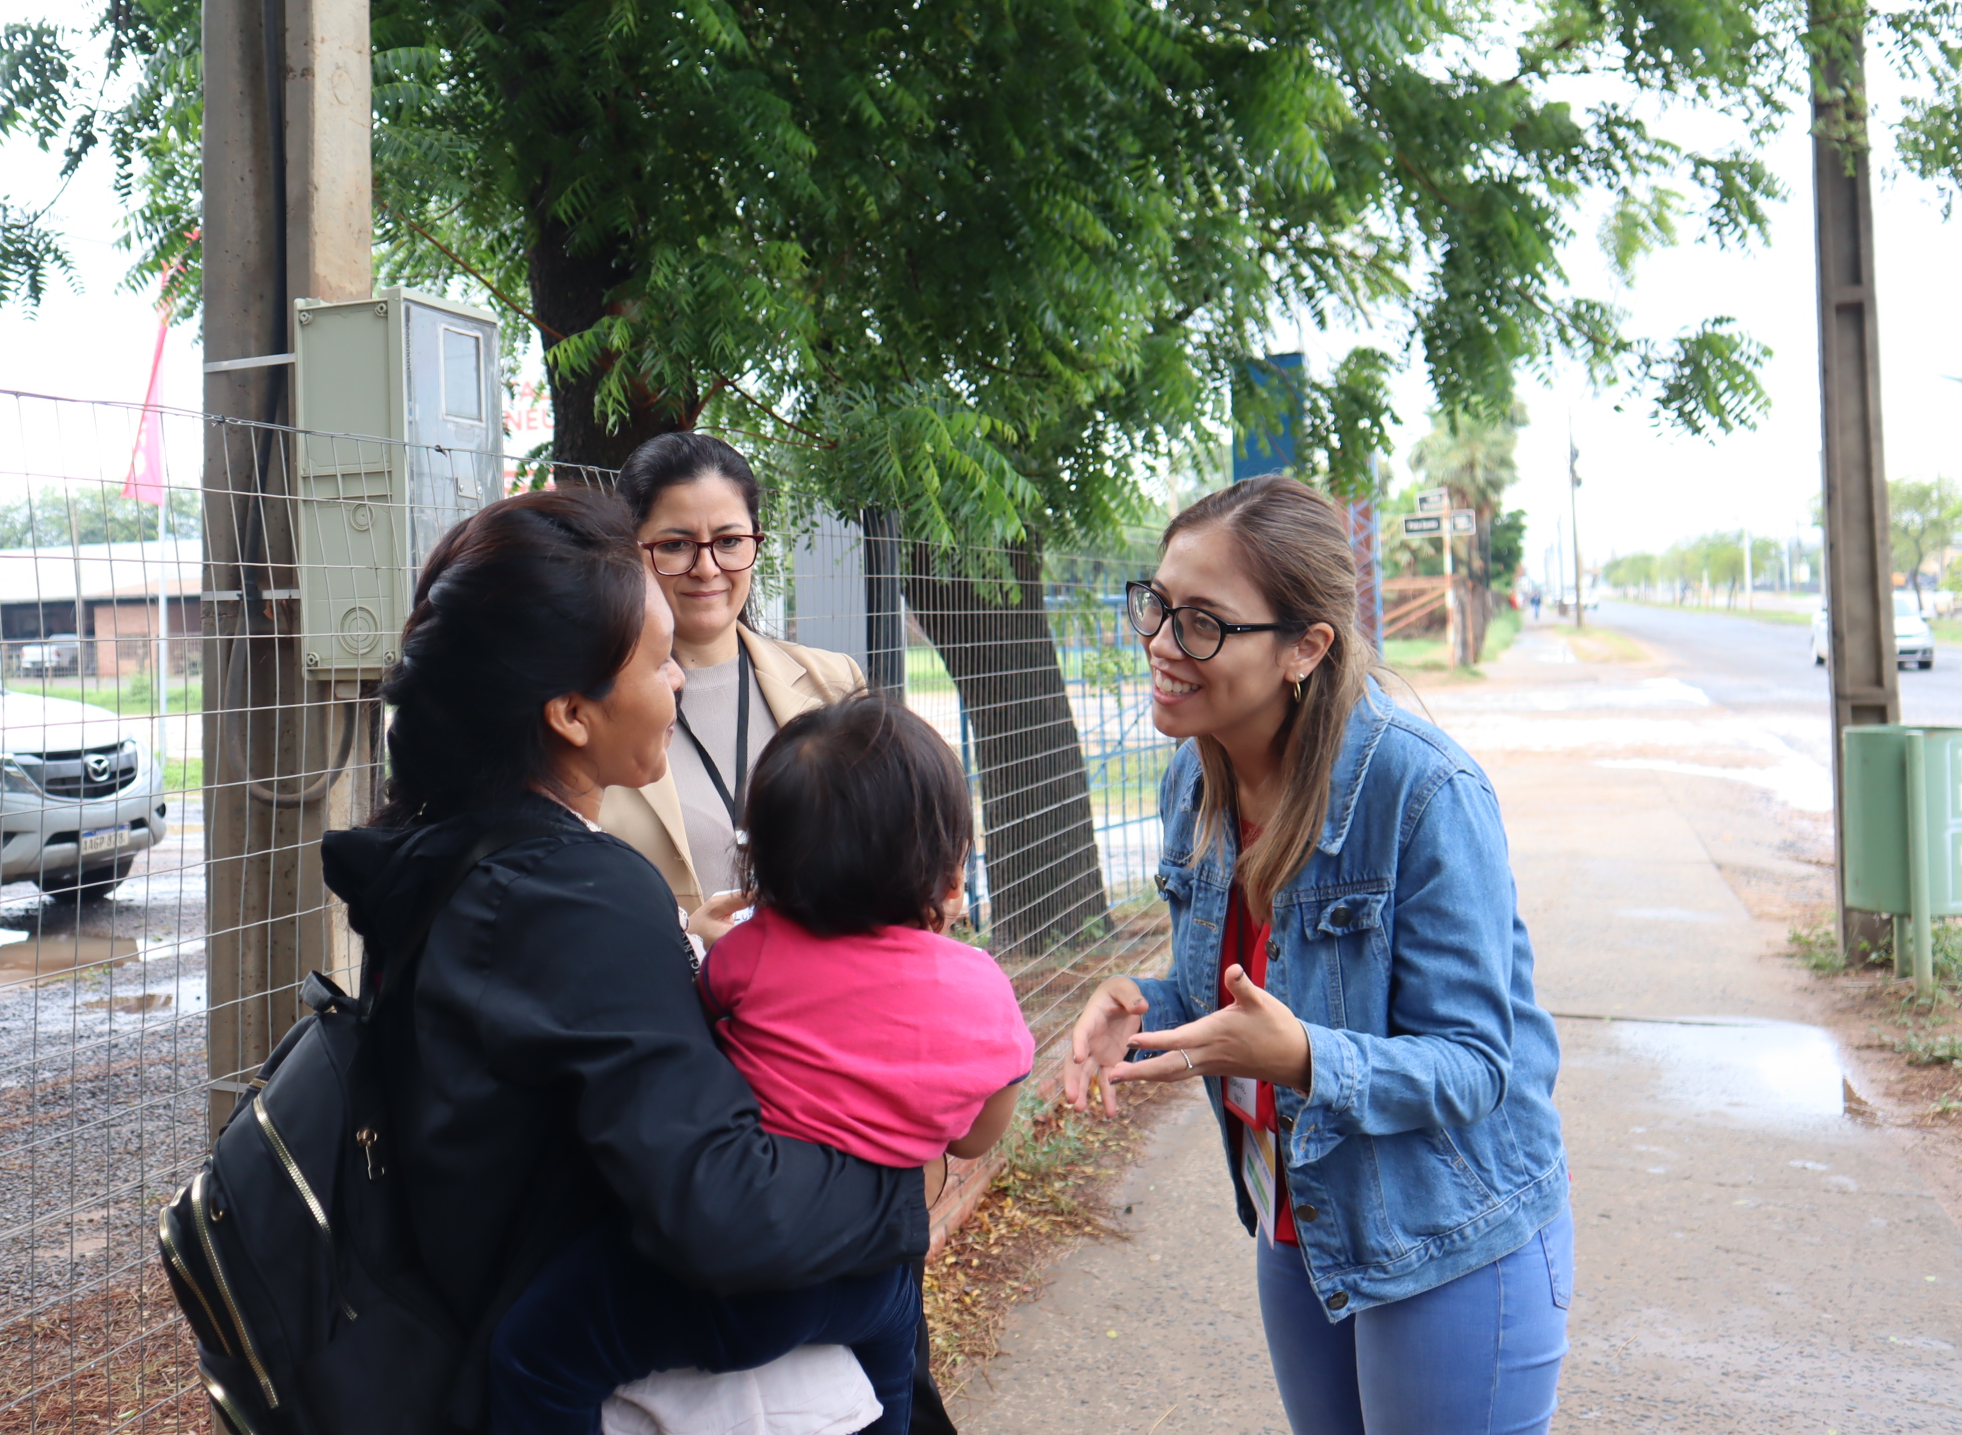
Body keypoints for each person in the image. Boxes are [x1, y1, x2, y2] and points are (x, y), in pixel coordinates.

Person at [319, 490, 927, 1434]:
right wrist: (893, 1185)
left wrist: (681, 951)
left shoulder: (445, 850)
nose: (680, 680)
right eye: (656, 661)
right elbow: (724, 1212)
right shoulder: (581, 891)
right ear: (568, 712)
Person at [1060, 475, 1572, 1435]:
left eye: (1205, 623)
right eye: (1158, 605)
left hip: (1448, 1233)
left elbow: (1478, 1066)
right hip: (1302, 1220)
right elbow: (1248, 991)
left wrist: (1300, 1059)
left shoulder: (1422, 792)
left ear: (1306, 647)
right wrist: (1144, 999)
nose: (1163, 644)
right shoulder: (1194, 778)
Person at [492, 694, 1033, 1434]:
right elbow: (974, 1136)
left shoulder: (748, 954)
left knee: (535, 1352)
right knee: (900, 1346)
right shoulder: (984, 989)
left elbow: (702, 1035)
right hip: (863, 1284)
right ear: (946, 877)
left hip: (720, 1292)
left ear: (765, 868)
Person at [602, 432, 862, 946]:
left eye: (729, 542)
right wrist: (688, 949)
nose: (707, 568)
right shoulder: (592, 707)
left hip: (821, 1010)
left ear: (755, 542)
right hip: (672, 1014)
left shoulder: (834, 685)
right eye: (675, 545)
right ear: (630, 551)